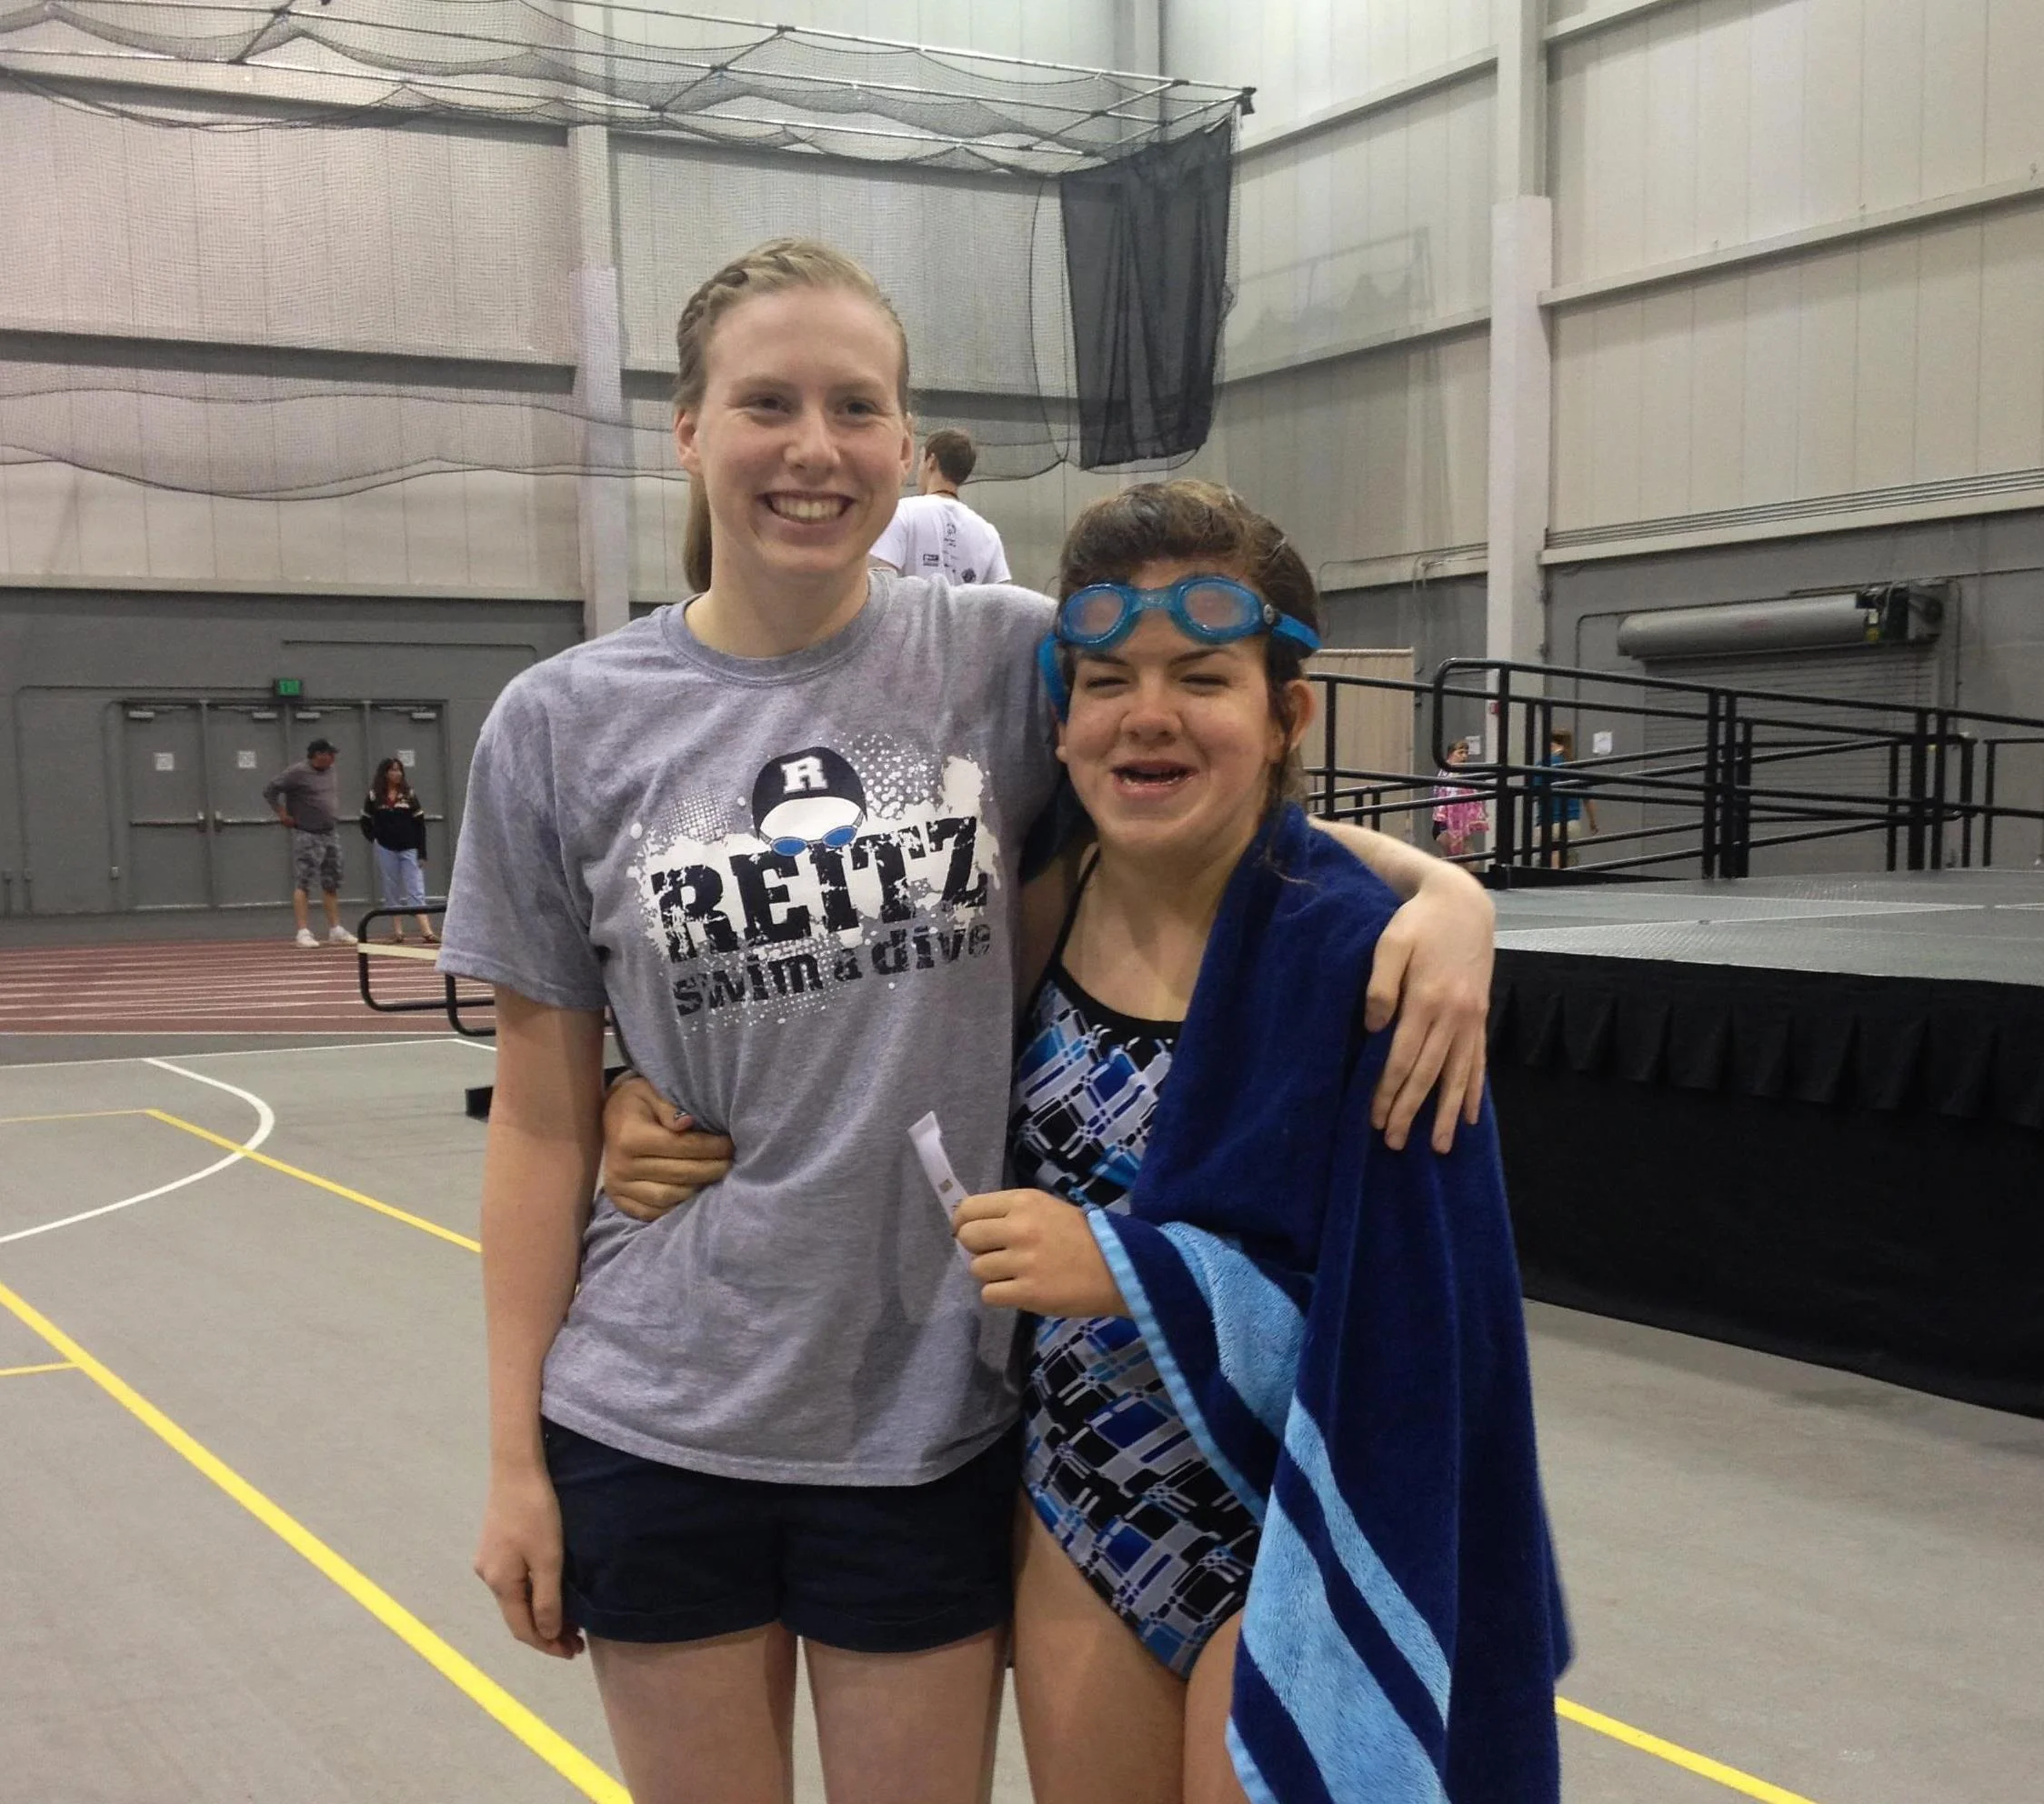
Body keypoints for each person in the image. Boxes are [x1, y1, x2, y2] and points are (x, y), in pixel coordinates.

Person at [440, 239, 1494, 1804]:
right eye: (766, 402)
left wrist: (1451, 901)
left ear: (904, 436)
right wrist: (516, 1459)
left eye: (853, 406)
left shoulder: (997, 655)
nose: (812, 447)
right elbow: (535, 1117)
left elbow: (1202, 784)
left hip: (928, 1419)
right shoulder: (563, 722)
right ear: (686, 429)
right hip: (653, 1403)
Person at [606, 482, 1568, 1804]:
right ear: (1059, 718)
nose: (1149, 715)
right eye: (1107, 679)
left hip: (1291, 1516)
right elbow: (819, 1021)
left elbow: (1423, 1335)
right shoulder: (1031, 907)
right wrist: (631, 1088)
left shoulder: (1369, 966)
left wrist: (1134, 1271)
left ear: (1290, 712)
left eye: (1203, 678)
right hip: (1080, 1521)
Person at [869, 427, 1012, 585]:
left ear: (931, 461)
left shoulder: (903, 513)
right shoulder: (988, 534)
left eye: (921, 460)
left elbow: (879, 584)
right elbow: (1002, 599)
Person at [264, 737, 356, 947]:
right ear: (318, 755)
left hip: (330, 832)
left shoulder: (331, 771)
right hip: (308, 832)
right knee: (304, 880)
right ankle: (303, 931)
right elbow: (270, 789)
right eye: (330, 754)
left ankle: (335, 928)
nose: (333, 758)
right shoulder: (297, 772)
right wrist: (282, 813)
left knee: (332, 880)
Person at [358, 757, 437, 945]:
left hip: (409, 848)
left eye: (399, 770)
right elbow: (365, 820)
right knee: (391, 888)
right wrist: (375, 839)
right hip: (386, 848)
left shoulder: (409, 794)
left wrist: (422, 851)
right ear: (385, 773)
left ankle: (426, 931)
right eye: (393, 770)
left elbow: (420, 824)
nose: (397, 773)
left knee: (415, 888)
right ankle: (398, 931)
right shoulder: (374, 796)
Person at [1539, 727, 1598, 867]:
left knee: (1548, 860)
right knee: (1569, 862)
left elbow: (1535, 792)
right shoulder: (1575, 766)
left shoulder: (1541, 765)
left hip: (1546, 821)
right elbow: (1588, 799)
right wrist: (1593, 822)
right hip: (1570, 821)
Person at [1431, 736, 1489, 859]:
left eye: (1466, 753)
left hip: (1461, 824)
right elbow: (1443, 799)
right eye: (1460, 753)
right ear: (1451, 754)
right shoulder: (1446, 773)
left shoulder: (1461, 774)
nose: (1464, 757)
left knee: (1465, 859)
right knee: (1458, 860)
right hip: (1445, 824)